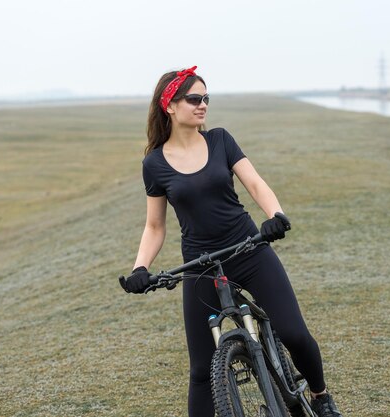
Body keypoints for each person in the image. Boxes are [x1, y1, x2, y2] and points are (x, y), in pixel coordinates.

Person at [119, 66, 343, 417]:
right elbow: (155, 225)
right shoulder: (154, 163)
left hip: (248, 249)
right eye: (194, 98)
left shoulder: (220, 140)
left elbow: (254, 182)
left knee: (294, 333)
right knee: (199, 371)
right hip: (200, 265)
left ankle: (321, 396)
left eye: (206, 98)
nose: (203, 104)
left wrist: (275, 215)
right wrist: (140, 267)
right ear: (170, 106)